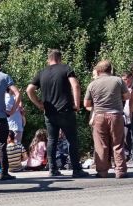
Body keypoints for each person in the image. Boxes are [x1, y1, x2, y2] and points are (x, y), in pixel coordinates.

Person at [26, 49, 89, 178]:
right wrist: (77, 104)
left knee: (52, 140)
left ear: (48, 59)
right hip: (65, 110)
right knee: (71, 139)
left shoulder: (41, 73)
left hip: (49, 112)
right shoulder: (66, 68)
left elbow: (29, 90)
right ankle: (76, 170)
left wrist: (39, 104)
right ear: (60, 58)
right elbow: (75, 85)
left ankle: (52, 169)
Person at [84, 60, 130, 178]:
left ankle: (102, 171)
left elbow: (86, 104)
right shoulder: (118, 80)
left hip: (99, 116)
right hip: (116, 115)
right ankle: (120, 171)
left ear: (98, 71)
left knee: (101, 145)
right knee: (118, 143)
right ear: (111, 69)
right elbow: (127, 96)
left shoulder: (92, 84)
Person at [121, 71, 133, 159]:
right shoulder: (122, 89)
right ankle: (126, 154)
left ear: (131, 78)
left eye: (126, 79)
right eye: (123, 80)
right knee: (125, 136)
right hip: (125, 116)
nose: (125, 81)